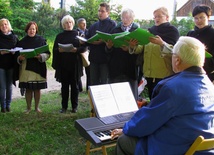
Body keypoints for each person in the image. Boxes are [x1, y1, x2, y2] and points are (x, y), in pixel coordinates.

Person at [111, 36, 214, 155]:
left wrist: (126, 128)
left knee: (124, 141)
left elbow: (148, 121)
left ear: (177, 60)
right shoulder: (209, 85)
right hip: (204, 149)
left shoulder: (172, 87)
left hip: (178, 148)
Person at [130, 7, 179, 100]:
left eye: (159, 16)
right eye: (155, 17)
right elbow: (141, 48)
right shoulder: (150, 31)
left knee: (162, 102)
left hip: (164, 75)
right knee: (152, 101)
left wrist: (162, 44)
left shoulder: (172, 31)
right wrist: (133, 46)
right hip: (149, 74)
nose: (156, 19)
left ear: (167, 17)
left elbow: (176, 52)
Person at [52, 15, 87, 113]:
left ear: (73, 23)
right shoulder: (60, 36)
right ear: (63, 24)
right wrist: (59, 50)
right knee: (64, 87)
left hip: (75, 64)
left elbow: (84, 48)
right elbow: (54, 49)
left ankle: (74, 107)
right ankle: (64, 107)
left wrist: (76, 49)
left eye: (70, 22)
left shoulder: (78, 34)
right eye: (66, 23)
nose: (69, 24)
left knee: (75, 86)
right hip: (63, 64)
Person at [105, 8, 139, 100]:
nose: (125, 20)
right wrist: (109, 46)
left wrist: (130, 48)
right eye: (123, 18)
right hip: (116, 67)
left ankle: (132, 114)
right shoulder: (115, 30)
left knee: (131, 96)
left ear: (132, 18)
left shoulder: (136, 31)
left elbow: (140, 50)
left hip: (130, 67)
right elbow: (108, 51)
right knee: (116, 96)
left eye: (127, 18)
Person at [17, 21, 50, 114]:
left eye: (33, 29)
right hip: (26, 68)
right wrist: (20, 58)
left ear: (36, 30)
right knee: (28, 89)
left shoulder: (41, 40)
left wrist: (40, 56)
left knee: (37, 89)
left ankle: (37, 107)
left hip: (38, 67)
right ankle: (28, 108)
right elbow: (16, 54)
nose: (32, 31)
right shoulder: (22, 42)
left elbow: (47, 53)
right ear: (27, 30)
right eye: (30, 29)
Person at [85, 2, 116, 85]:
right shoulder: (94, 25)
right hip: (94, 58)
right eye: (99, 11)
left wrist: (102, 41)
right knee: (93, 82)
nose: (100, 13)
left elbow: (113, 40)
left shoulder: (113, 25)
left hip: (105, 59)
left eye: (102, 11)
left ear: (108, 13)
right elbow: (87, 38)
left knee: (104, 83)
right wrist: (84, 40)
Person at [187, 5, 214, 82]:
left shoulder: (212, 34)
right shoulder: (190, 34)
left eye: (202, 17)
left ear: (208, 17)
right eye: (196, 18)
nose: (198, 20)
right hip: (189, 74)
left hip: (207, 75)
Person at [0, 18, 19, 113]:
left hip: (11, 65)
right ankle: (2, 106)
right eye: (2, 25)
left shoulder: (14, 37)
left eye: (5, 24)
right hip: (1, 65)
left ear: (8, 25)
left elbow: (19, 49)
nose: (4, 26)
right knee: (2, 87)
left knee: (9, 86)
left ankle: (8, 105)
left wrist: (14, 52)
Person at [77, 18, 90, 91]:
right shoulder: (76, 32)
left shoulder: (89, 31)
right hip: (78, 53)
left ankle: (88, 88)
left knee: (89, 71)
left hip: (87, 53)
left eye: (85, 23)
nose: (84, 24)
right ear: (78, 24)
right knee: (78, 71)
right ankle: (79, 88)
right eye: (82, 23)